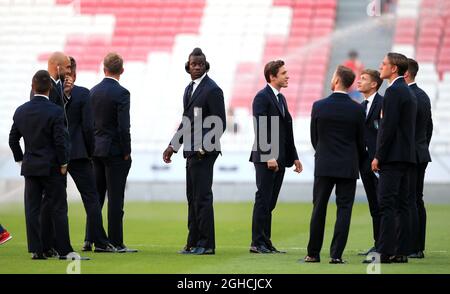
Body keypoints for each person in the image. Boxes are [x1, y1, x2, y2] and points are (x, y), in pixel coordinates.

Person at [9, 70, 88, 260]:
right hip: (52, 167)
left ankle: (37, 250)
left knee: (32, 209)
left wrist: (21, 159)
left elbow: (13, 139)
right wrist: (63, 162)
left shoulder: (21, 111)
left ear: (32, 86)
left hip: (31, 167)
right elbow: (60, 141)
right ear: (50, 88)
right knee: (59, 208)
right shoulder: (55, 111)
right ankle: (64, 250)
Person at [163, 48, 226, 255]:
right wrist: (173, 146)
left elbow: (220, 123)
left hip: (204, 152)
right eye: (193, 64)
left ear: (205, 65)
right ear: (188, 66)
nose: (197, 67)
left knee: (202, 197)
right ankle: (193, 242)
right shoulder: (189, 89)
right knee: (192, 197)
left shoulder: (212, 89)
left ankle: (207, 244)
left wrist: (203, 148)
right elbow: (187, 122)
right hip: (190, 150)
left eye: (200, 64)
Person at [304, 65, 365, 264]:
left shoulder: (319, 106)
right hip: (348, 166)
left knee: (319, 208)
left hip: (324, 164)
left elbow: (315, 138)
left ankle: (313, 254)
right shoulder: (357, 109)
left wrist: (323, 152)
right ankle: (336, 255)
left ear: (337, 80)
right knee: (344, 210)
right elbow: (360, 141)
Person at [61, 56, 115, 253]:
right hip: (78, 153)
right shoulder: (83, 94)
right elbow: (87, 127)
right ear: (74, 75)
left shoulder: (47, 92)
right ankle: (99, 242)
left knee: (53, 201)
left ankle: (49, 244)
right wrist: (91, 152)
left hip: (56, 156)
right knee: (91, 198)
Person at [248, 60, 303, 254]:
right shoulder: (262, 97)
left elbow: (287, 130)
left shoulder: (281, 99)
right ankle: (257, 243)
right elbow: (260, 127)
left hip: (279, 158)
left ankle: (266, 241)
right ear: (272, 76)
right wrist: (268, 155)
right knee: (263, 199)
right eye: (283, 73)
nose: (287, 76)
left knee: (270, 202)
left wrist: (294, 157)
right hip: (266, 158)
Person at [370, 53, 417, 264]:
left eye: (384, 64)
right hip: (406, 156)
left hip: (392, 157)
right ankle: (400, 251)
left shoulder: (393, 92)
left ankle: (384, 252)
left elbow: (387, 128)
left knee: (386, 204)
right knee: (402, 204)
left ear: (394, 69)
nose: (381, 66)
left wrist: (378, 155)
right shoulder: (406, 91)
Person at [90, 53, 136, 253]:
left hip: (95, 150)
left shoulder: (92, 92)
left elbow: (89, 124)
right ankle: (116, 241)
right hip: (115, 152)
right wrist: (127, 151)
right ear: (122, 71)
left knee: (96, 197)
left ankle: (90, 239)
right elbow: (123, 127)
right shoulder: (122, 93)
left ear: (104, 68)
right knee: (116, 198)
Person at [404, 58, 433, 259]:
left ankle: (413, 247)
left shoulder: (408, 95)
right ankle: (417, 245)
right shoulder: (422, 95)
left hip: (410, 155)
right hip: (420, 152)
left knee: (410, 200)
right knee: (416, 199)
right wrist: (422, 146)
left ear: (406, 73)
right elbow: (428, 127)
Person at [356, 69, 384, 256]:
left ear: (374, 84)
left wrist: (379, 157)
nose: (359, 81)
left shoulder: (383, 103)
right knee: (374, 205)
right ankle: (378, 243)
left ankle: (389, 244)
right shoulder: (360, 106)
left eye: (363, 79)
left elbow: (385, 133)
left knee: (384, 204)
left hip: (379, 162)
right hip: (364, 163)